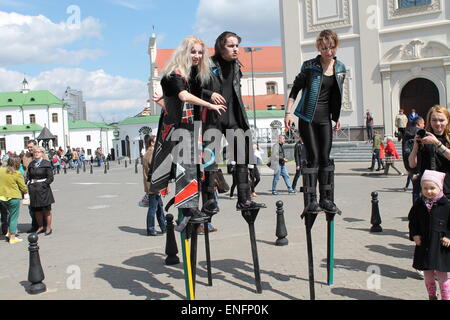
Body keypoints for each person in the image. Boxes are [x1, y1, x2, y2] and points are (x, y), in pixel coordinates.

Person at [150, 35, 226, 225]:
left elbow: (181, 98)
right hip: (179, 129)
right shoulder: (175, 74)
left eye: (200, 52)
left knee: (192, 168)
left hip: (189, 127)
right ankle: (188, 209)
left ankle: (191, 208)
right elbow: (184, 96)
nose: (197, 56)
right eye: (193, 51)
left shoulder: (191, 75)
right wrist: (210, 105)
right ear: (184, 52)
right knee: (187, 168)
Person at [200, 31, 264, 213]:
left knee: (242, 156)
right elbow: (195, 87)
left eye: (237, 45)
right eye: (231, 45)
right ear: (221, 47)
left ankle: (244, 199)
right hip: (213, 117)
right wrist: (209, 94)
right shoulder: (208, 64)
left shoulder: (237, 65)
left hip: (233, 116)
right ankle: (209, 201)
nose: (236, 49)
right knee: (209, 161)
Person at [284, 29, 346, 215]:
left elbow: (337, 94)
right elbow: (295, 90)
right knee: (313, 156)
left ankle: (326, 199)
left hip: (325, 118)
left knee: (325, 157)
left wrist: (337, 117)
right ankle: (311, 200)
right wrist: (288, 113)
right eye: (325, 48)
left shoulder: (340, 67)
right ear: (319, 47)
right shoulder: (309, 66)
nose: (328, 52)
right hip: (307, 117)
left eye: (332, 47)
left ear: (336, 46)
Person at [408, 170, 450, 300]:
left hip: (441, 245)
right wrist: (414, 234)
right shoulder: (419, 204)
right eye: (425, 188)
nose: (429, 191)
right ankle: (432, 296)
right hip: (424, 244)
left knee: (443, 275)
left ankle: (446, 297)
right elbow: (413, 221)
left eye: (432, 188)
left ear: (440, 187)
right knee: (427, 274)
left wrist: (449, 236)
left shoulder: (446, 205)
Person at [409, 105, 450, 199]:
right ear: (429, 121)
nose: (438, 123)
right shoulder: (424, 137)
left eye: (441, 120)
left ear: (447, 120)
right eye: (434, 120)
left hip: (447, 188)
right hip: (428, 190)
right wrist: (416, 145)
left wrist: (437, 143)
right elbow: (412, 164)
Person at [26, 146, 55, 236]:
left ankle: (48, 227)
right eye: (35, 152)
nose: (36, 153)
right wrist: (28, 183)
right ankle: (40, 226)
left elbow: (50, 177)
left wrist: (43, 185)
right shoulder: (31, 164)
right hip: (33, 189)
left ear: (42, 153)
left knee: (46, 209)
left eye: (38, 152)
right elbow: (28, 176)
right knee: (36, 210)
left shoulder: (46, 163)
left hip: (43, 190)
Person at [0, 156, 28, 244]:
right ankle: (12, 237)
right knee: (13, 217)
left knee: (9, 215)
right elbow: (23, 187)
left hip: (2, 197)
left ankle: (8, 232)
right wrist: (25, 192)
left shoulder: (1, 170)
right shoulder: (17, 173)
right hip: (13, 197)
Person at [142, 136, 166, 236]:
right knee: (153, 208)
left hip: (151, 184)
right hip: (153, 184)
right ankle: (150, 229)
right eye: (156, 141)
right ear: (152, 143)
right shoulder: (152, 152)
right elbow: (155, 167)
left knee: (159, 206)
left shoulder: (147, 152)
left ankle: (163, 226)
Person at [402, 116, 425, 201]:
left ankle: (415, 210)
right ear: (419, 124)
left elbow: (405, 150)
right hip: (419, 165)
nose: (424, 125)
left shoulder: (406, 133)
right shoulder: (419, 133)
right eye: (423, 123)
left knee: (415, 190)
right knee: (422, 190)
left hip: (408, 164)